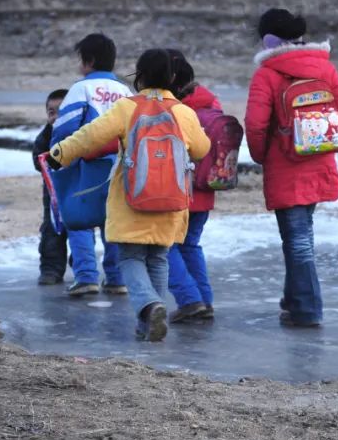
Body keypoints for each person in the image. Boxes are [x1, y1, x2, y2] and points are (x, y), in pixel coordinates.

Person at [48, 49, 211, 341]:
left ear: (141, 76)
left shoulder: (128, 108)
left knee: (131, 257)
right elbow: (201, 149)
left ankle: (149, 307)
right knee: (159, 257)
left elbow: (90, 136)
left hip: (132, 197)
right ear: (173, 78)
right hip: (171, 198)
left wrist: (60, 153)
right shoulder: (184, 112)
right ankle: (148, 323)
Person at [244, 9, 338, 327]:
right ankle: (294, 300)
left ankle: (307, 309)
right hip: (318, 162)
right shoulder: (324, 67)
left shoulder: (267, 74)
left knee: (297, 239)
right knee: (299, 234)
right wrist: (327, 140)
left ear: (268, 40)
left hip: (285, 166)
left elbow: (255, 124)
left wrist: (262, 154)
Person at [51, 33, 131, 297]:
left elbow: (65, 128)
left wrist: (58, 153)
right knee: (113, 221)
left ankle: (86, 276)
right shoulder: (125, 91)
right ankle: (117, 278)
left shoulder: (81, 88)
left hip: (87, 166)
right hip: (119, 167)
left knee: (80, 219)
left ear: (89, 61)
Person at [165, 49, 219, 323]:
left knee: (166, 244)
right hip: (206, 187)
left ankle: (189, 300)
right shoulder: (211, 102)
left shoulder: (173, 109)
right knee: (190, 245)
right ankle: (204, 302)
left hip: (178, 188)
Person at [32, 88, 69, 285]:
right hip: (53, 195)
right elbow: (37, 158)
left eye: (60, 111)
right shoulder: (45, 136)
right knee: (51, 232)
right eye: (51, 112)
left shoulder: (79, 134)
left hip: (77, 192)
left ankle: (81, 267)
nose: (55, 117)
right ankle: (50, 270)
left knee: (80, 232)